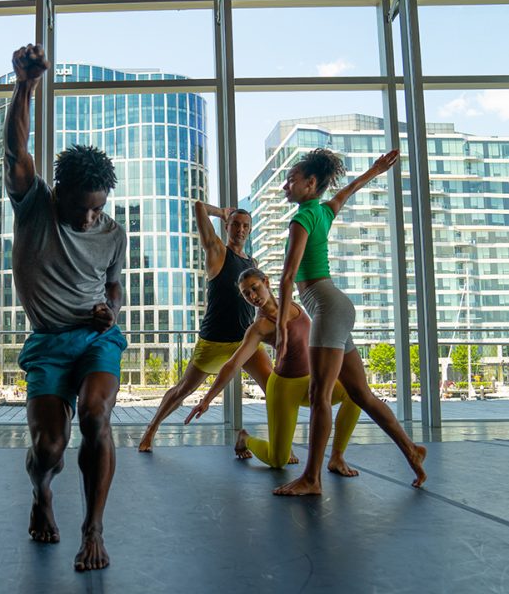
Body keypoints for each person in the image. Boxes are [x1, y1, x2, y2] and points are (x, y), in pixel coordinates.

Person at [5, 44, 128, 572]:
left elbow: (115, 287)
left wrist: (111, 311)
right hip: (49, 344)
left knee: (97, 415)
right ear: (60, 193)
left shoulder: (113, 232)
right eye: (81, 208)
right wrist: (24, 86)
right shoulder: (34, 204)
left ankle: (94, 528)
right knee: (50, 449)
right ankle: (41, 493)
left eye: (98, 208)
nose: (89, 219)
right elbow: (16, 152)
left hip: (95, 339)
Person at [273, 148, 426, 496]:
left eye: (292, 180)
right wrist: (375, 169)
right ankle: (412, 451)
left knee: (319, 395)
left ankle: (311, 479)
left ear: (311, 184)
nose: (286, 185)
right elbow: (350, 188)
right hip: (335, 306)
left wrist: (282, 326)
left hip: (328, 307)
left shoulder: (302, 218)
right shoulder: (324, 211)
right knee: (360, 393)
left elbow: (286, 277)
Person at [185, 268, 360, 475]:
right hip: (284, 389)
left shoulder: (293, 303)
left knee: (355, 393)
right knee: (278, 461)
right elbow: (233, 364)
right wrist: (207, 399)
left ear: (266, 282)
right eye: (246, 293)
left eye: (254, 288)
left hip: (312, 380)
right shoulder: (259, 327)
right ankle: (246, 439)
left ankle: (337, 457)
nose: (252, 296)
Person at [138, 205, 272, 452]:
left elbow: (261, 300)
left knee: (273, 387)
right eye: (235, 224)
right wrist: (222, 212)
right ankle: (151, 428)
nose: (240, 229)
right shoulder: (218, 251)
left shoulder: (252, 262)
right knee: (182, 390)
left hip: (246, 341)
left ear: (250, 230)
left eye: (245, 226)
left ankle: (281, 442)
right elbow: (198, 208)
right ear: (227, 227)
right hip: (214, 340)